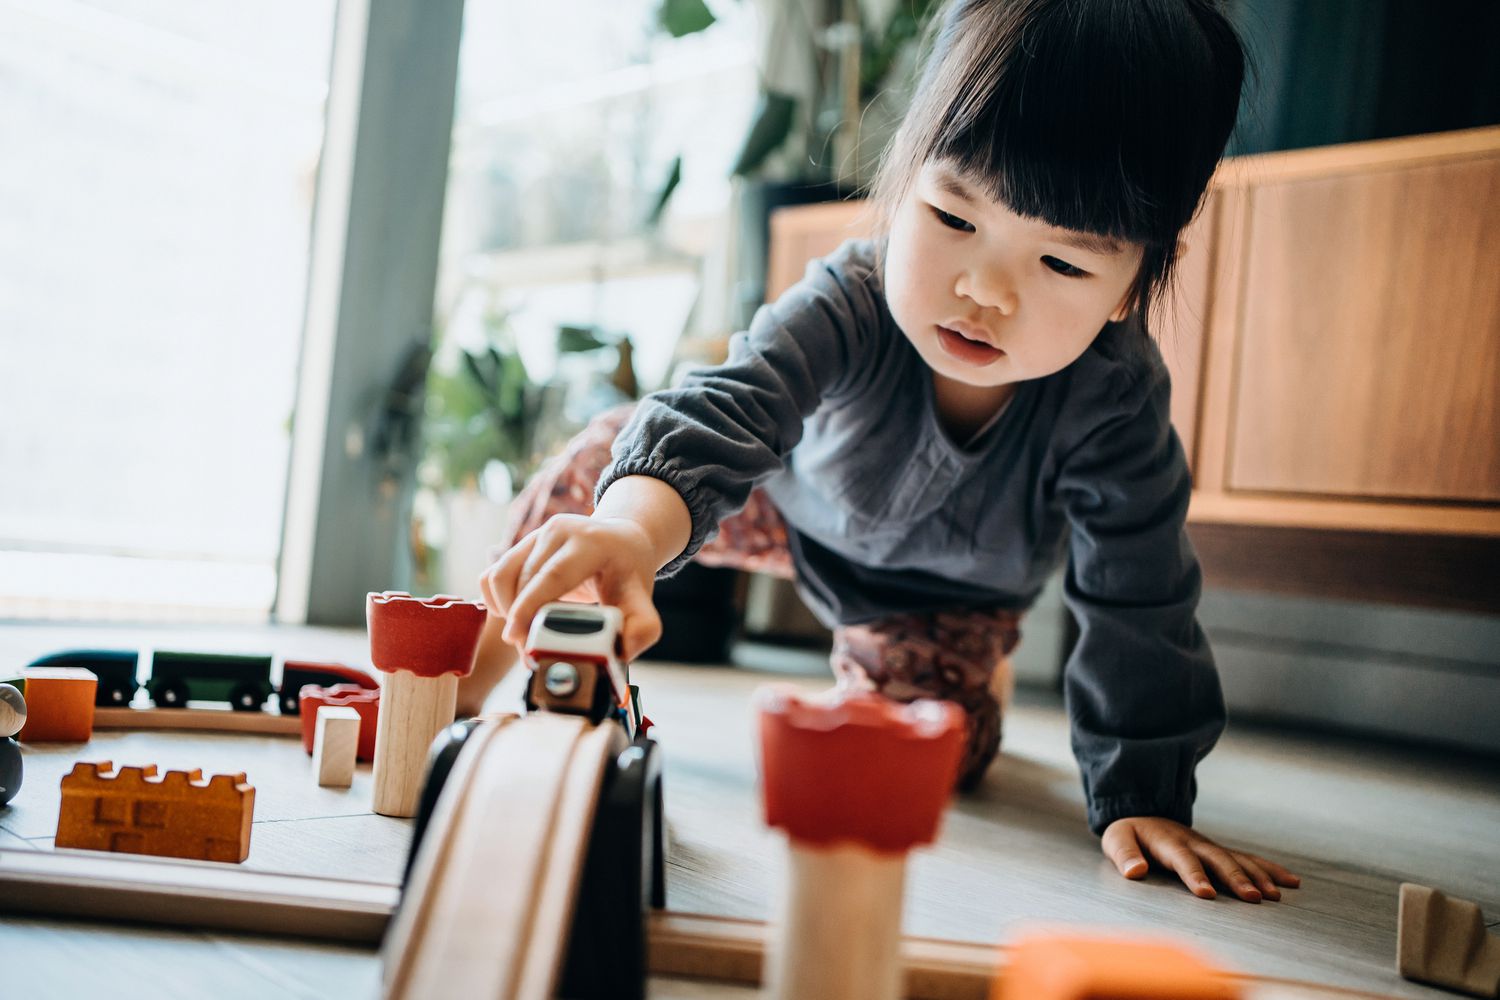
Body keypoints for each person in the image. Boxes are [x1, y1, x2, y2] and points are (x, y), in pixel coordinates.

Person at [468, 0, 1301, 903]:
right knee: (607, 468)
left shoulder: (1116, 399)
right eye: (953, 216)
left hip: (938, 596)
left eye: (1061, 264)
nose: (984, 290)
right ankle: (473, 661)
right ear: (902, 181)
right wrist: (632, 533)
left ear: (1133, 285)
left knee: (930, 754)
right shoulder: (848, 300)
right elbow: (727, 407)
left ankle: (937, 676)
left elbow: (1140, 591)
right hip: (782, 508)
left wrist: (1145, 792)